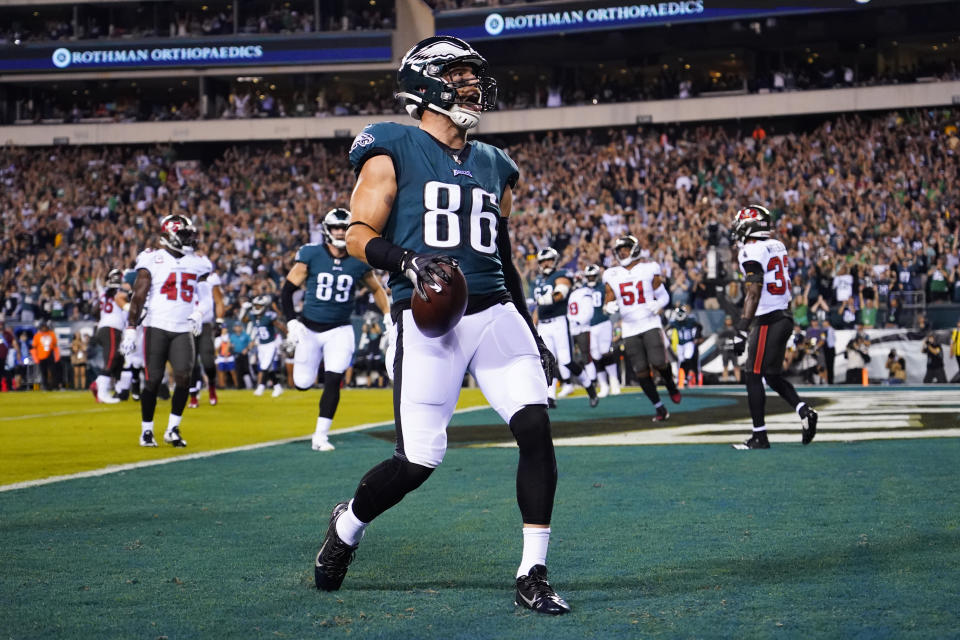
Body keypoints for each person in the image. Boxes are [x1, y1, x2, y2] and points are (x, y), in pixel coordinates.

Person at [314, 36, 569, 615]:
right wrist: (406, 261)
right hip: (429, 317)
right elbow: (356, 235)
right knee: (418, 459)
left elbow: (503, 258)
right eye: (459, 76)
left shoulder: (495, 163)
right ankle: (348, 524)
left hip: (496, 312)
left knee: (535, 430)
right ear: (426, 84)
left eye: (475, 76)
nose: (473, 86)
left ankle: (533, 570)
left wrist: (528, 326)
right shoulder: (393, 143)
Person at [280, 207, 391, 451]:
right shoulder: (310, 254)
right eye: (336, 228)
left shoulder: (359, 260)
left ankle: (320, 436)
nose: (340, 232)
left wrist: (387, 316)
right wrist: (291, 321)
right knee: (302, 382)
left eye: (344, 227)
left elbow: (376, 289)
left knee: (334, 378)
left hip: (340, 329)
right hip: (309, 328)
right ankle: (296, 359)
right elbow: (287, 290)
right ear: (327, 230)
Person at [729, 205, 818, 450]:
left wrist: (742, 327)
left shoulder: (751, 250)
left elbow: (754, 292)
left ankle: (760, 436)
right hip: (783, 316)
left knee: (752, 374)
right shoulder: (776, 245)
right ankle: (804, 412)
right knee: (772, 375)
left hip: (767, 318)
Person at [122, 214, 212, 448]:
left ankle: (172, 428)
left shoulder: (198, 263)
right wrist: (131, 327)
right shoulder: (153, 258)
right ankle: (147, 431)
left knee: (184, 378)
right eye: (184, 235)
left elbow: (206, 298)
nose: (190, 239)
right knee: (153, 380)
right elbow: (139, 295)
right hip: (157, 325)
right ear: (169, 236)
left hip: (183, 328)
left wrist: (199, 313)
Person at [602, 234, 681, 421]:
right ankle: (659, 407)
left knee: (659, 362)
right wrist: (607, 307)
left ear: (635, 249)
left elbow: (664, 296)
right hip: (629, 327)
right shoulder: (612, 274)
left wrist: (659, 304)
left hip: (650, 322)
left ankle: (670, 384)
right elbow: (608, 300)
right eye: (619, 250)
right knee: (641, 371)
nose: (622, 253)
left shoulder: (649, 269)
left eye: (626, 249)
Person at [532, 247, 576, 405]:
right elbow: (537, 308)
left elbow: (561, 292)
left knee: (565, 360)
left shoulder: (561, 274)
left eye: (549, 260)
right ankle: (550, 395)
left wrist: (543, 300)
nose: (545, 264)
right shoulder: (537, 281)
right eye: (543, 261)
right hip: (543, 324)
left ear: (555, 260)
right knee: (547, 360)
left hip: (559, 321)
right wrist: (532, 326)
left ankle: (586, 383)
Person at [189, 264, 225, 407]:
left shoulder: (210, 280)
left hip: (205, 324)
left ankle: (211, 387)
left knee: (208, 361)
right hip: (188, 324)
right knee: (190, 362)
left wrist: (219, 321)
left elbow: (219, 301)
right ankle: (193, 396)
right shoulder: (183, 277)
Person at [90, 268, 127, 403]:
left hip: (104, 328)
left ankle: (98, 384)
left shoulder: (104, 292)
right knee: (111, 359)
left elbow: (98, 285)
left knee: (116, 359)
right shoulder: (122, 292)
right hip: (112, 328)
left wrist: (100, 275)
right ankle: (102, 393)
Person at [583, 264, 621, 396]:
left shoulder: (603, 287)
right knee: (595, 355)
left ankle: (614, 381)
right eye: (589, 276)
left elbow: (613, 297)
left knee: (605, 352)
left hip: (603, 321)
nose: (591, 278)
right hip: (590, 325)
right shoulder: (583, 290)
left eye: (593, 276)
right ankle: (603, 384)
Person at [564, 272, 599, 406]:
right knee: (569, 357)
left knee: (586, 356)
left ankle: (592, 380)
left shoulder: (585, 291)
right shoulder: (570, 293)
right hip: (572, 328)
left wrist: (579, 321)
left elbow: (588, 311)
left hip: (582, 328)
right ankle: (573, 382)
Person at [244, 294, 285, 397]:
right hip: (261, 345)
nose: (256, 307)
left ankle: (261, 387)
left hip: (271, 344)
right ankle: (277, 387)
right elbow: (243, 320)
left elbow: (280, 326)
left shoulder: (269, 316)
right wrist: (245, 309)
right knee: (269, 368)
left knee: (264, 366)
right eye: (255, 305)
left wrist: (288, 334)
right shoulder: (252, 315)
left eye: (259, 305)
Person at [669, 305, 703, 386]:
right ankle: (681, 378)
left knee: (687, 358)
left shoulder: (690, 321)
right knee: (681, 361)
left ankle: (686, 377)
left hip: (689, 342)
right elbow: (667, 328)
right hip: (680, 344)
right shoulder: (675, 322)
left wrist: (696, 337)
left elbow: (700, 326)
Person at [31, 321, 61, 391]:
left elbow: (55, 347)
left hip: (50, 355)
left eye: (45, 327)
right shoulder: (37, 336)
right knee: (43, 372)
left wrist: (57, 356)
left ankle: (54, 385)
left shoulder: (52, 334)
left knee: (53, 372)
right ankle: (45, 386)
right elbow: (34, 348)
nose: (44, 328)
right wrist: (35, 358)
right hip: (41, 356)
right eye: (43, 327)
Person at [716, 315, 742, 383]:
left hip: (733, 350)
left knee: (736, 366)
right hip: (725, 350)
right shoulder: (722, 329)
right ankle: (725, 381)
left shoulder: (735, 329)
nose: (728, 321)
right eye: (727, 320)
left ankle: (738, 381)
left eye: (729, 320)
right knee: (725, 366)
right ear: (725, 321)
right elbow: (718, 341)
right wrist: (721, 348)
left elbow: (739, 338)